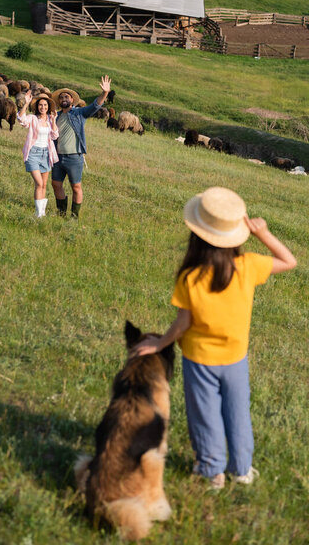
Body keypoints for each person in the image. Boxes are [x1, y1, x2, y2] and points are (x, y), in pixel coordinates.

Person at [132, 186, 296, 489]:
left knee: (205, 415)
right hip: (236, 358)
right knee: (237, 413)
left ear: (196, 234)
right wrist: (264, 234)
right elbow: (289, 261)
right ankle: (242, 469)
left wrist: (160, 343)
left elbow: (183, 324)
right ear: (236, 234)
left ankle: (211, 471)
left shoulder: (191, 277)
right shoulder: (247, 267)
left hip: (199, 360)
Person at [50, 75, 111, 218]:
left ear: (72, 100)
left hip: (74, 156)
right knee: (55, 184)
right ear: (59, 101)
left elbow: (95, 105)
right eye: (61, 97)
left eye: (67, 97)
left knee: (76, 186)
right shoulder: (56, 116)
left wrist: (105, 93)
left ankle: (74, 216)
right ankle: (61, 213)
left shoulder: (79, 113)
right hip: (58, 157)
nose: (64, 99)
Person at [17, 92, 59, 218]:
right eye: (40, 105)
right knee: (39, 184)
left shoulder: (50, 120)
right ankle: (38, 212)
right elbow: (21, 119)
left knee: (44, 185)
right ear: (37, 107)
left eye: (45, 105)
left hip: (46, 154)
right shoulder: (33, 118)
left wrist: (54, 120)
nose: (43, 107)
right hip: (33, 153)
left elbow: (54, 135)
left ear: (48, 107)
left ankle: (42, 213)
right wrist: (26, 103)